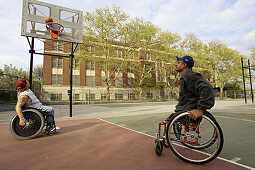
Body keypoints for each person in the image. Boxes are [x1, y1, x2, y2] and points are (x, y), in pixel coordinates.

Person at [167, 55, 215, 121]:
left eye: (178, 62)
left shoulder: (190, 76)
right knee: (169, 119)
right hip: (184, 109)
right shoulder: (185, 77)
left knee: (169, 121)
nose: (176, 64)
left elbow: (207, 88)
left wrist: (200, 110)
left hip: (189, 111)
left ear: (184, 65)